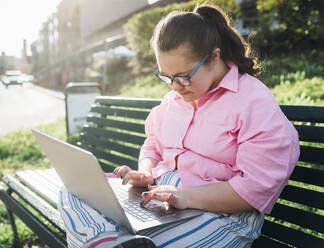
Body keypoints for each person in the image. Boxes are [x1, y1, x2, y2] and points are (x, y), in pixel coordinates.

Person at [58, 4, 300, 248]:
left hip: (221, 215)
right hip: (161, 200)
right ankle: (106, 241)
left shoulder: (253, 102)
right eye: (167, 77)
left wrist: (186, 197)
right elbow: (153, 144)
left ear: (214, 57)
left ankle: (107, 241)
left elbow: (255, 188)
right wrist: (147, 171)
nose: (174, 87)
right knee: (74, 192)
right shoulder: (174, 100)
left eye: (183, 76)